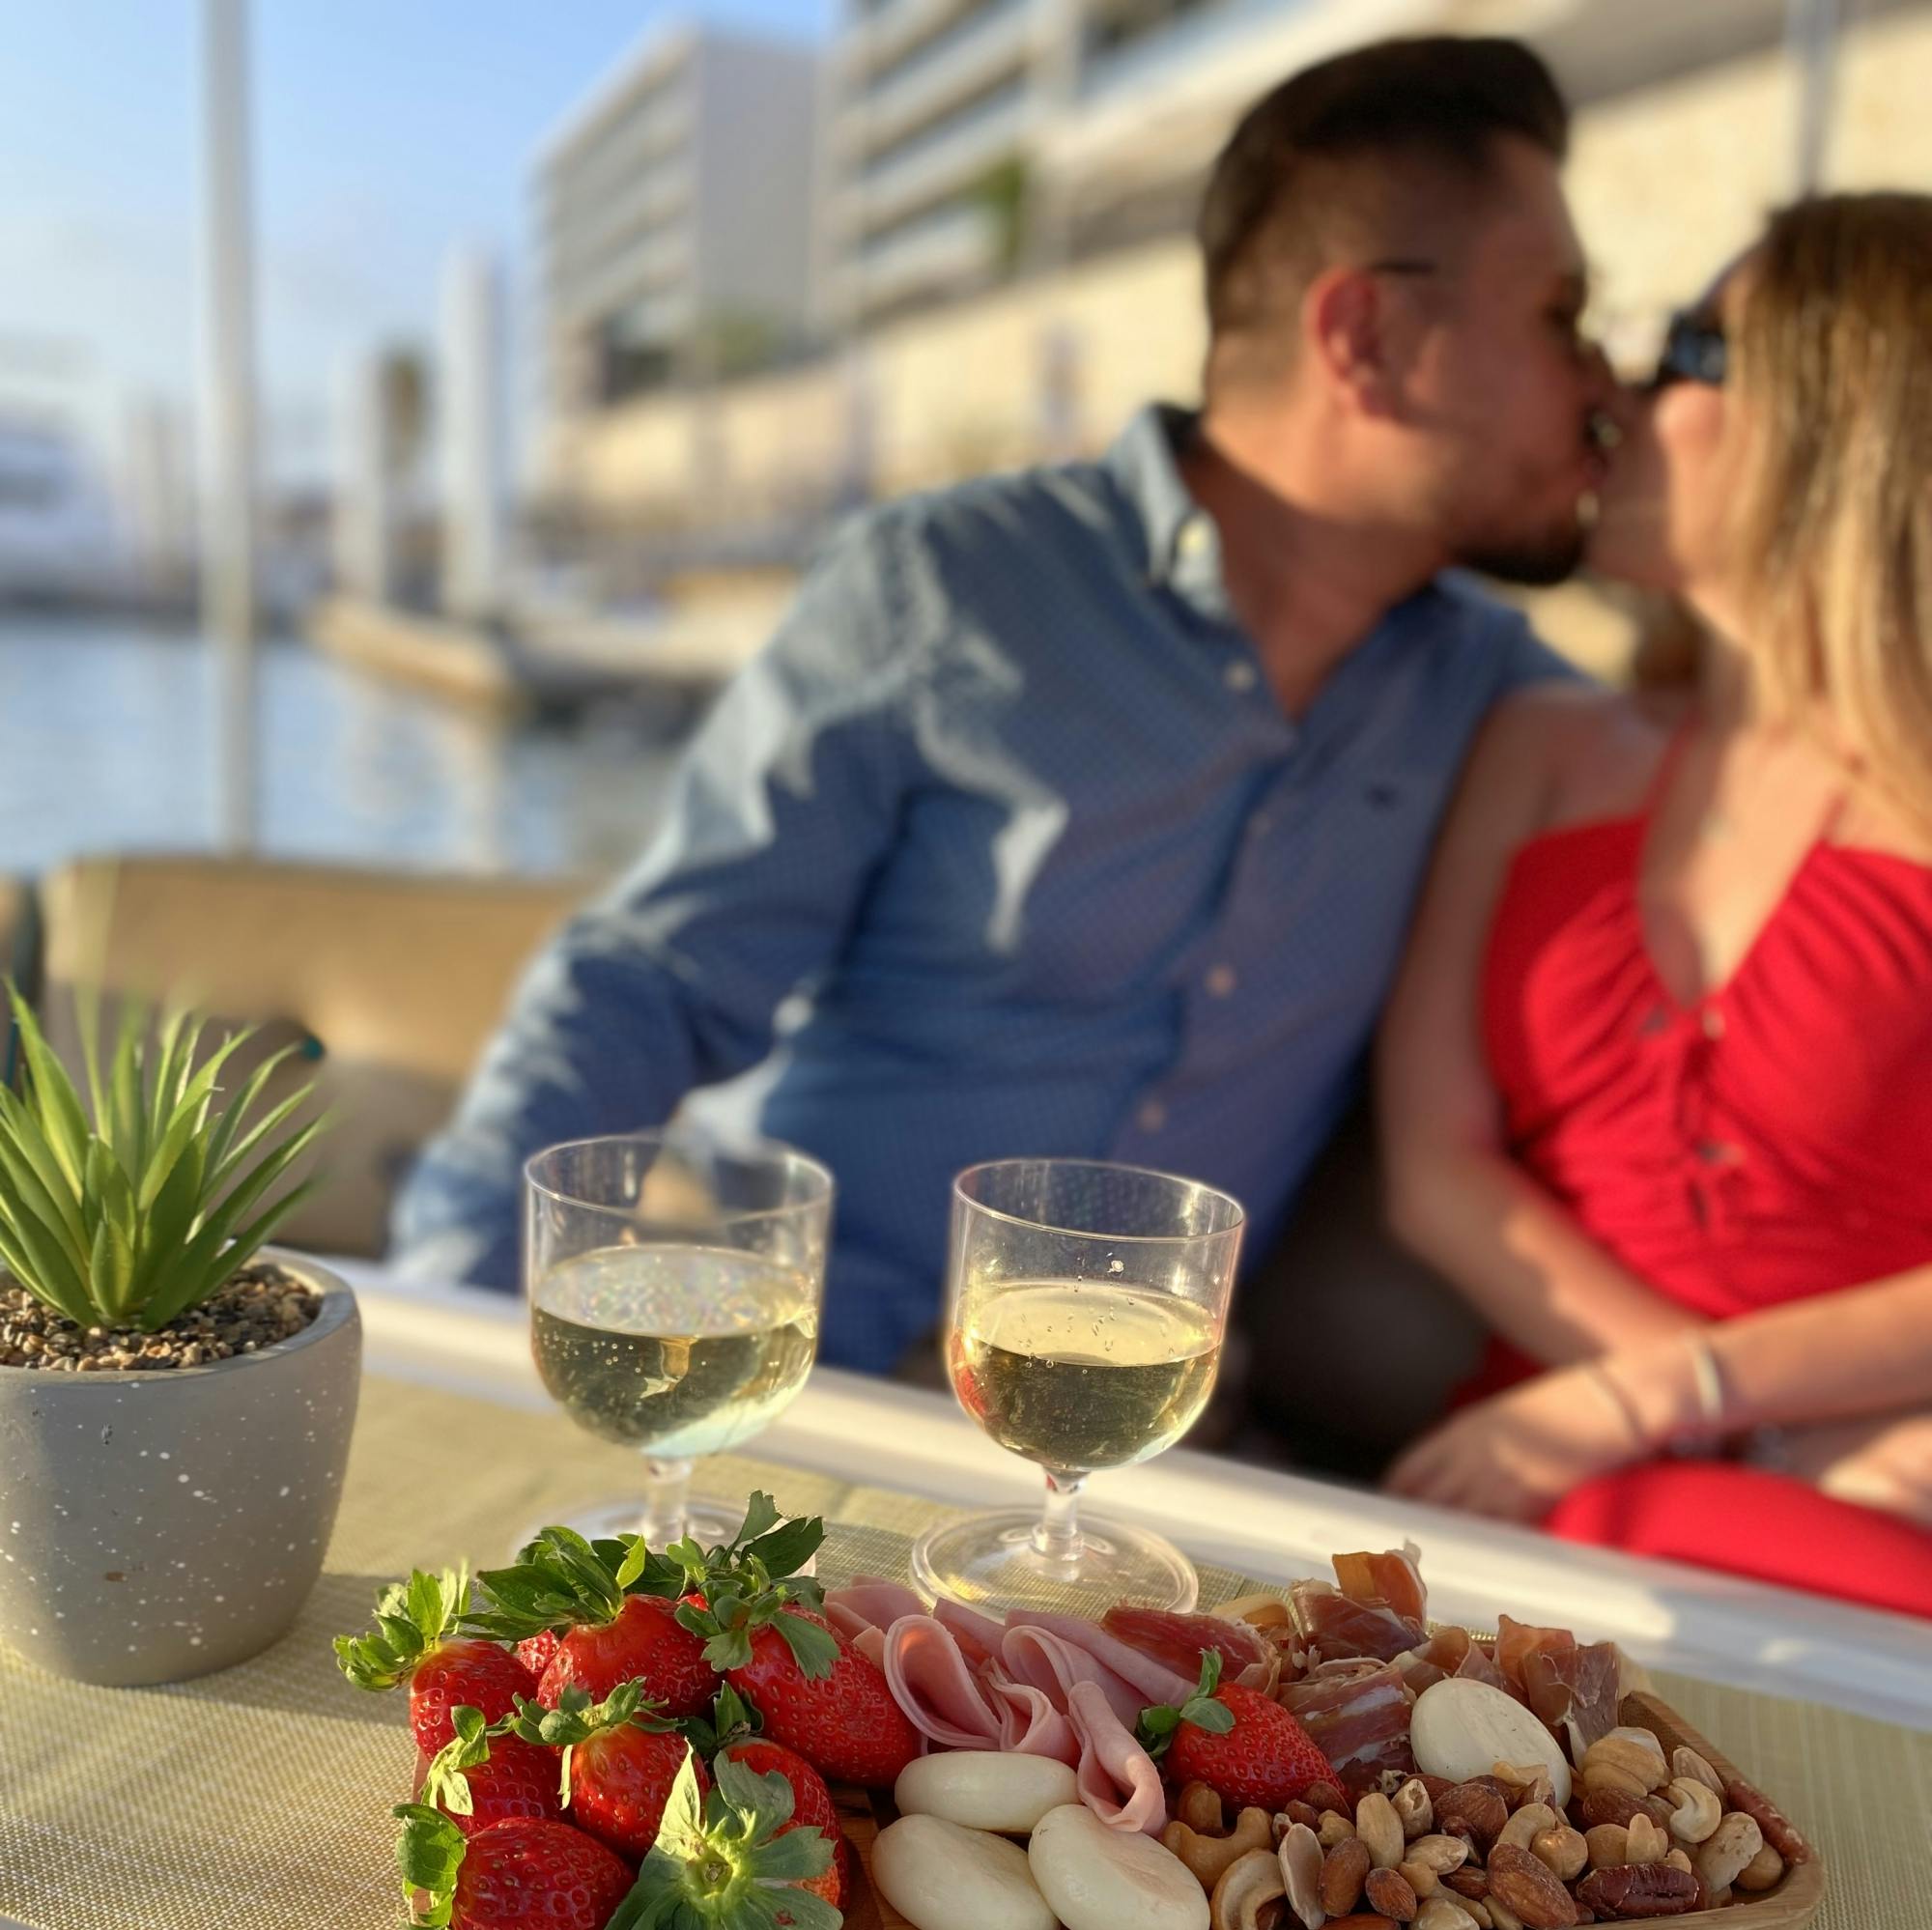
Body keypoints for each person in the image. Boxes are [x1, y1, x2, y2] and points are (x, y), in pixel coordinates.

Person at [393, 36, 1608, 1372]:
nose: (1606, 384)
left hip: (1126, 1438)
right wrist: (451, 1326)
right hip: (808, 1367)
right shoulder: (947, 590)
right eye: (1560, 317)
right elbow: (661, 978)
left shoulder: (1502, 703)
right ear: (1367, 339)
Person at [1379, 194, 1932, 1621]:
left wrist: (1687, 1404)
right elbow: (1436, 1167)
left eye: (1693, 351)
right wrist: (1677, 1406)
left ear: (1849, 416)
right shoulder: (1541, 747)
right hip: (1553, 1450)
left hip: (1868, 1469)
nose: (1617, 391)